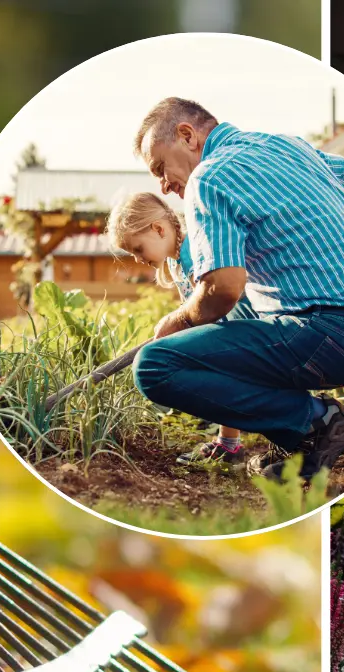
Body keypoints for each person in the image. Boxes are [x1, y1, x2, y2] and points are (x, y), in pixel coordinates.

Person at [130, 96, 344, 481]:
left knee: (156, 365)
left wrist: (174, 324)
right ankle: (302, 439)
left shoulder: (209, 178)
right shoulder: (288, 145)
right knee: (244, 326)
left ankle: (316, 423)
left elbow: (222, 289)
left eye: (159, 166)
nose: (162, 182)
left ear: (187, 135)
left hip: (332, 333)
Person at [106, 191, 255, 470]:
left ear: (159, 229)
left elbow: (215, 302)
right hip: (226, 327)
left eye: (138, 249)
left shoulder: (193, 253)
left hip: (242, 323)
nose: (138, 259)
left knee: (219, 372)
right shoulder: (176, 260)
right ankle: (229, 443)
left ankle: (232, 442)